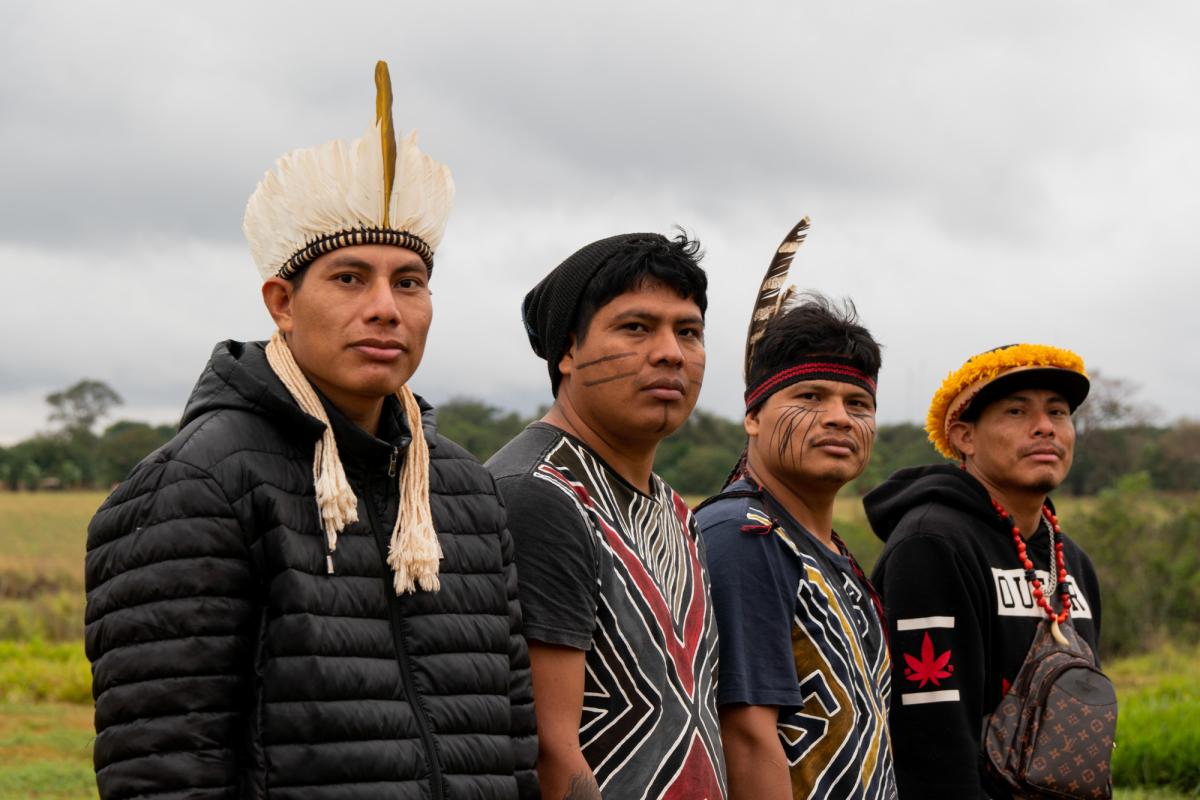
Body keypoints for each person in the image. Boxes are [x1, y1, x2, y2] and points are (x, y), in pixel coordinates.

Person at [84, 62, 537, 799]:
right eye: (350, 278)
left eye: (410, 282)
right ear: (281, 303)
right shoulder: (199, 484)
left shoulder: (464, 492)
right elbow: (163, 767)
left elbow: (514, 740)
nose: (387, 307)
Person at [487, 232, 727, 799]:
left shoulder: (672, 509)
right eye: (636, 328)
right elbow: (550, 749)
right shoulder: (541, 493)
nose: (671, 352)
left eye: (688, 331)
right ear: (567, 351)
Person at [866, 344, 1103, 799]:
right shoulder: (931, 545)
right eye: (1016, 411)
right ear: (963, 437)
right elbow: (930, 738)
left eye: (1058, 412)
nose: (1044, 428)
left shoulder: (1072, 560)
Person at [695, 287, 897, 799]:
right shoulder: (747, 536)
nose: (839, 418)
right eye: (810, 397)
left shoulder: (829, 551)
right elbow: (746, 734)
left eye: (858, 403)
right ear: (754, 417)